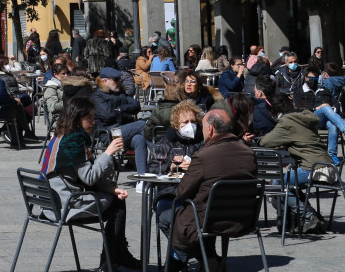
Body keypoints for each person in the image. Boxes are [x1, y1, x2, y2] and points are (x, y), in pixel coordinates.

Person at [42, 97, 138, 272]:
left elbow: (82, 177)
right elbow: (90, 178)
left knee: (116, 198)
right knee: (117, 204)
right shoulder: (74, 142)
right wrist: (108, 153)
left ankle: (116, 258)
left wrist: (112, 188)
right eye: (89, 118)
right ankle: (112, 261)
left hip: (50, 202)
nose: (94, 122)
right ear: (77, 119)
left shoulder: (61, 136)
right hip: (66, 204)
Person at [157, 108, 257, 271]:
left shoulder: (204, 155)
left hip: (208, 218)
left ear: (210, 129)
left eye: (201, 125)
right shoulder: (249, 153)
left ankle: (193, 259)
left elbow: (182, 192)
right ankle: (206, 258)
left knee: (167, 217)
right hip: (243, 218)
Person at [258, 96, 332, 233]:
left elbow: (266, 142)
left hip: (313, 168)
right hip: (327, 166)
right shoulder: (303, 116)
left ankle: (309, 216)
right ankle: (312, 216)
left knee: (277, 183)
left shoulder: (286, 121)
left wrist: (257, 139)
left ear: (273, 111)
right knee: (291, 184)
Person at [92, 67, 150, 181]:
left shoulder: (120, 92)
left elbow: (136, 106)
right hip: (109, 133)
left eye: (119, 79)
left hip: (125, 131)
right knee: (143, 124)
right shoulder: (96, 96)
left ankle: (142, 179)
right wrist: (123, 112)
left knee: (139, 139)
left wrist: (120, 110)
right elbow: (108, 116)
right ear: (105, 81)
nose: (119, 82)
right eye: (116, 80)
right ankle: (160, 161)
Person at [0, 60, 35, 144]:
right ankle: (18, 139)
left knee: (18, 107)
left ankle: (21, 135)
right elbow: (5, 98)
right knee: (18, 108)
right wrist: (15, 102)